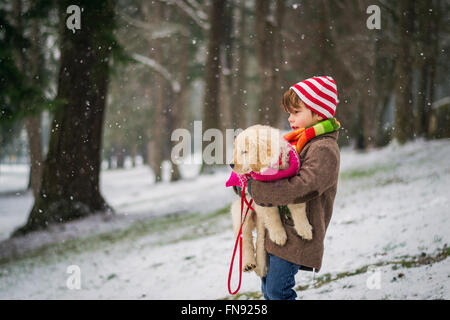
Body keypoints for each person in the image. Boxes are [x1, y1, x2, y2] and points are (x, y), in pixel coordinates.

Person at [247, 76, 341, 300]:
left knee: (278, 292)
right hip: (278, 231)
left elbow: (303, 187)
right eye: (289, 113)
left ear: (319, 112)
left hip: (297, 234)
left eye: (296, 112)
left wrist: (258, 190)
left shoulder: (324, 148)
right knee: (268, 290)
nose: (290, 119)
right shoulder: (299, 142)